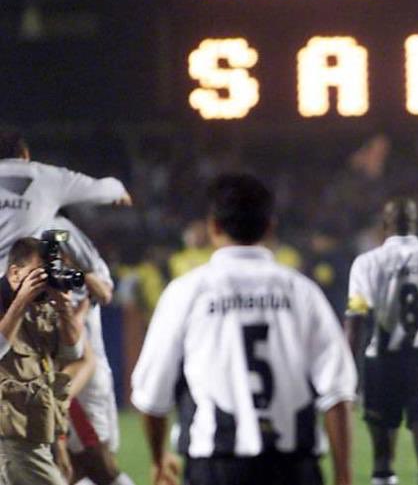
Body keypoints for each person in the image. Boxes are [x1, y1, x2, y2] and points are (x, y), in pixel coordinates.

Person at [131, 173, 356, 485]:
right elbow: (338, 392)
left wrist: (158, 459)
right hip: (293, 465)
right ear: (270, 227)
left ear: (213, 227)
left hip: (216, 464)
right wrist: (343, 474)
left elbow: (152, 395)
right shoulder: (302, 291)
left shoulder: (187, 291)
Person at [345, 198, 418, 485]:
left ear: (385, 224)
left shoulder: (368, 262)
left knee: (382, 463)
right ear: (414, 222)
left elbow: (356, 318)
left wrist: (349, 370)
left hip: (382, 363)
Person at [40, 217, 136, 485]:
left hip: (81, 378)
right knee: (76, 467)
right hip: (69, 377)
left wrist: (79, 270)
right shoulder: (38, 275)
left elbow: (104, 293)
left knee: (96, 464)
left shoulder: (81, 266)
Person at [0, 237, 88, 485]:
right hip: (9, 436)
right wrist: (20, 302)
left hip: (35, 431)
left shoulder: (41, 306)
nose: (47, 280)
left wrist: (63, 307)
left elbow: (73, 352)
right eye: (41, 273)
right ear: (15, 273)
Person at [0, 129, 132, 267]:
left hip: (18, 274)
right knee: (58, 227)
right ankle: (93, 272)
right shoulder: (47, 176)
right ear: (25, 154)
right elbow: (101, 189)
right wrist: (119, 191)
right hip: (27, 274)